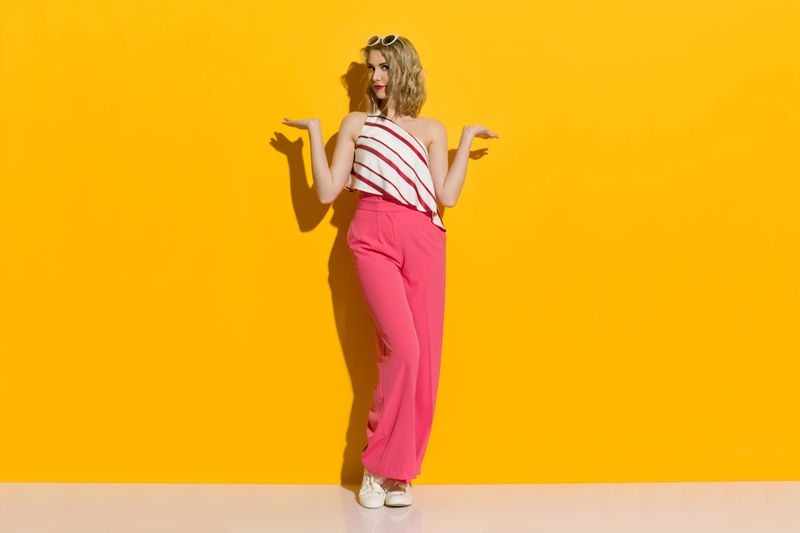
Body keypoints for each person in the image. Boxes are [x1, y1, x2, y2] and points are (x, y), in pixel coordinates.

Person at [282, 33, 499, 508]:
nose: (377, 78)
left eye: (384, 68)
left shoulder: (431, 130)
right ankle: (376, 468)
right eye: (372, 69)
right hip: (372, 234)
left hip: (423, 238)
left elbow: (448, 196)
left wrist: (463, 141)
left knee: (424, 360)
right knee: (402, 348)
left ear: (404, 70)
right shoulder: (357, 123)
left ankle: (400, 473)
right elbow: (326, 194)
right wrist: (315, 136)